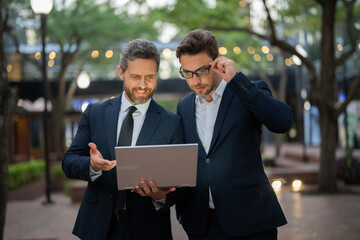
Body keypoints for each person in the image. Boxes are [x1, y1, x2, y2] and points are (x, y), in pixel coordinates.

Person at [175, 29, 293, 240]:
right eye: (187, 72)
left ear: (217, 61)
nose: (195, 80)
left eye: (201, 71)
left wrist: (237, 80)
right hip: (203, 226)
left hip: (251, 221)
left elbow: (283, 121)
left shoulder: (246, 91)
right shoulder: (183, 106)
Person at [62, 39, 183, 240]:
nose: (143, 85)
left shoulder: (173, 122)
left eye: (149, 77)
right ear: (121, 72)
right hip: (98, 228)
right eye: (135, 77)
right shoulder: (95, 113)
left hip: (150, 230)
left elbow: (182, 187)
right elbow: (68, 162)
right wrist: (92, 166)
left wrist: (161, 196)